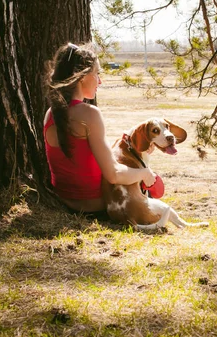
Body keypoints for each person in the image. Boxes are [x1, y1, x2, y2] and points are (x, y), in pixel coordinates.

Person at [44, 42, 155, 216]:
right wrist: (144, 173)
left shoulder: (51, 114)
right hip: (95, 207)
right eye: (97, 74)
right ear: (82, 77)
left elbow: (83, 158)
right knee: (147, 188)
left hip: (63, 201)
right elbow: (114, 175)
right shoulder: (90, 114)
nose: (100, 81)